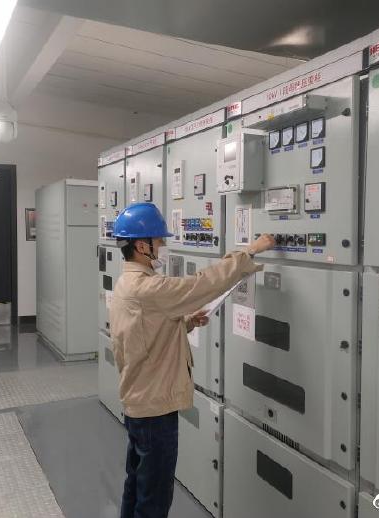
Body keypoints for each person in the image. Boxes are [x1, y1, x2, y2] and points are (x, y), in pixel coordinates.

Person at [109, 202, 275, 518]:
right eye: (159, 240)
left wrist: (184, 322)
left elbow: (141, 333)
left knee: (137, 484)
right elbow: (202, 284)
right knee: (154, 499)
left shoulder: (127, 284)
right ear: (142, 246)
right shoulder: (149, 288)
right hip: (155, 409)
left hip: (138, 402)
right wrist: (250, 251)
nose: (162, 245)